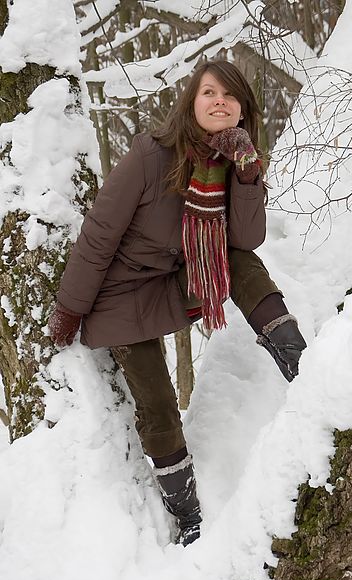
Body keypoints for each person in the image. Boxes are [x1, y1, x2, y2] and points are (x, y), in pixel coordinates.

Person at [48, 60, 307, 546]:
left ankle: (297, 358)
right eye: (209, 92)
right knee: (160, 406)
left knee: (236, 256)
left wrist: (249, 177)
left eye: (230, 96)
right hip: (121, 294)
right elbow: (99, 235)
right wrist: (70, 308)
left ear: (242, 109)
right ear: (192, 101)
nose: (219, 102)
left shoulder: (237, 159)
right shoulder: (152, 155)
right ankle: (187, 514)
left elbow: (246, 240)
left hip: (179, 280)